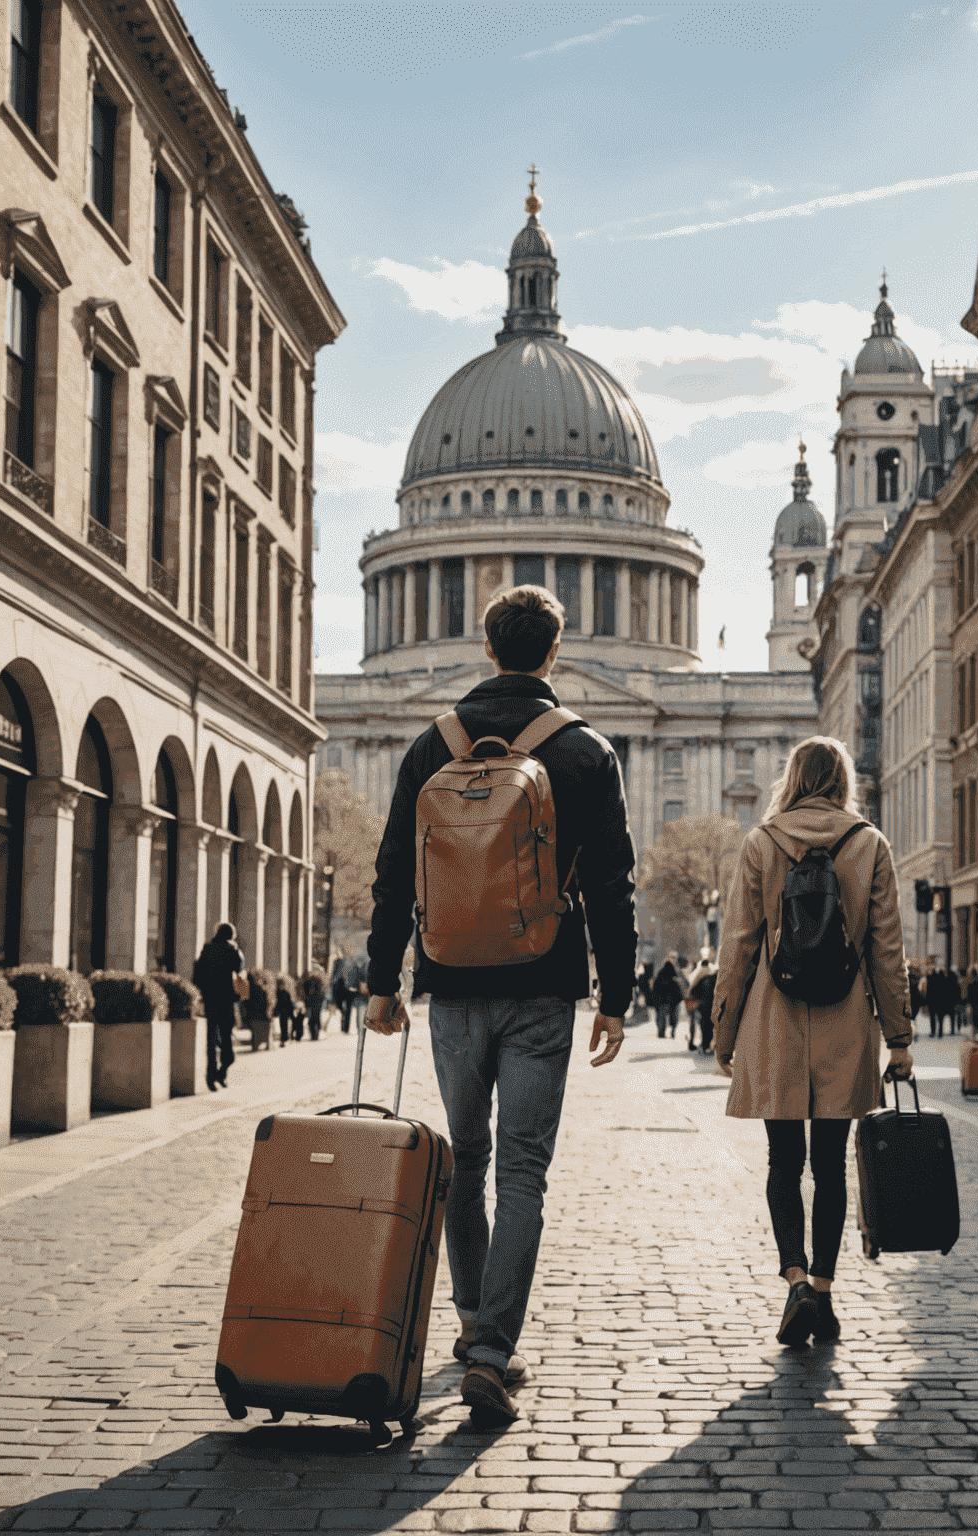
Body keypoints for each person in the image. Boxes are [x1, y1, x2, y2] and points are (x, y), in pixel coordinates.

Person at [365, 583, 636, 1427]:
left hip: (451, 986)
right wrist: (616, 998)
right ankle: (491, 1351)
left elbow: (391, 873)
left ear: (488, 648)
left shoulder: (429, 745)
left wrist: (383, 981)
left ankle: (475, 1319)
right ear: (555, 651)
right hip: (543, 987)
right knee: (523, 1172)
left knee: (465, 1162)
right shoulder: (587, 751)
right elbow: (613, 888)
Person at [711, 736, 914, 1349]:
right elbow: (887, 949)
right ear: (844, 781)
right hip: (846, 1022)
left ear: (792, 778)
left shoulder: (761, 843)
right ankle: (824, 1290)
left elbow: (738, 947)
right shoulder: (868, 843)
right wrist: (899, 1037)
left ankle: (794, 1280)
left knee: (782, 1163)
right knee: (830, 1166)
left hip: (774, 1021)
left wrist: (723, 1033)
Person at [192, 923, 244, 1091]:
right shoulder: (232, 950)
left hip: (211, 1000)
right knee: (226, 1038)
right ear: (231, 935)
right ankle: (221, 1072)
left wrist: (204, 994)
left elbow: (197, 974)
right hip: (226, 1001)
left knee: (211, 1040)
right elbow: (240, 967)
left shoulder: (207, 948)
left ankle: (211, 1076)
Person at [687, 948, 718, 1054]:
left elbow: (693, 990)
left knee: (705, 1026)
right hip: (713, 1006)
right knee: (711, 1026)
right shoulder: (714, 976)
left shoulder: (699, 977)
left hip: (704, 1007)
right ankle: (708, 1046)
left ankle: (705, 1046)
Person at [653, 952, 684, 1039]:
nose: (674, 959)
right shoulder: (666, 971)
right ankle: (663, 1032)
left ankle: (664, 1032)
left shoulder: (676, 970)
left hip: (668, 998)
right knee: (668, 1016)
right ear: (668, 958)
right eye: (672, 957)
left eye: (675, 958)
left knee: (668, 1016)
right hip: (667, 998)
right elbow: (658, 985)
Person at [964, 966, 978, 1035]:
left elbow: (969, 996)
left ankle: (975, 1037)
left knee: (974, 1022)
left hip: (973, 1005)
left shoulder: (970, 984)